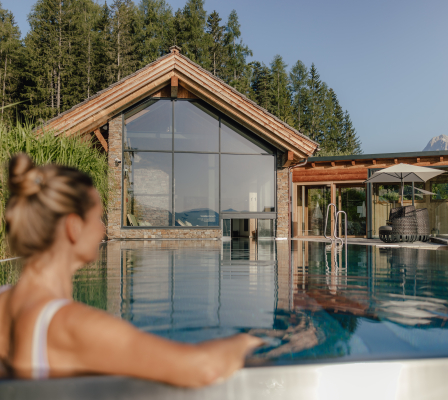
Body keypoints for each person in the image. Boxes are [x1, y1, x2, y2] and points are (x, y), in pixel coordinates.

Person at [0, 154, 262, 385]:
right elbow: (203, 368)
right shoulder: (70, 325)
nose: (103, 229)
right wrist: (253, 340)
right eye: (98, 218)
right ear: (74, 227)